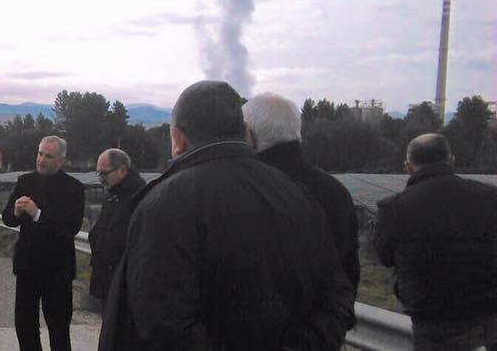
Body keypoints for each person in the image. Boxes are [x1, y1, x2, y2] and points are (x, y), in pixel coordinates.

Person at [98, 80, 356, 351]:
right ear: (245, 131)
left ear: (177, 139)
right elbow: (337, 292)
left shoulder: (164, 202)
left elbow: (163, 322)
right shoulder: (297, 193)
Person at [374, 133, 497, 350]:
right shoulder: (490, 197)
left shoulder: (394, 209)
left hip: (434, 327)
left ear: (408, 167)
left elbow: (384, 257)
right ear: (452, 161)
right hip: (490, 321)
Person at [242, 92, 360, 289]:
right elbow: (348, 270)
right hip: (328, 313)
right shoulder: (335, 191)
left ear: (248, 134)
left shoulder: (245, 191)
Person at [2, 135, 85, 351]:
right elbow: (7, 219)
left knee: (58, 329)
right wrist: (16, 211)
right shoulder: (25, 181)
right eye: (40, 153)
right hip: (27, 266)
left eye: (48, 156)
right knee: (25, 326)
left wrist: (38, 214)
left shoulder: (73, 187)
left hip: (58, 269)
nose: (41, 159)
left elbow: (70, 227)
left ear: (61, 160)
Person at [87, 148, 145, 305]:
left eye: (104, 173)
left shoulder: (139, 197)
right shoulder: (113, 195)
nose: (101, 178)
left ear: (123, 170)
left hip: (124, 283)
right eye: (98, 173)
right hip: (106, 280)